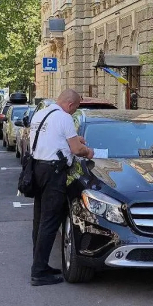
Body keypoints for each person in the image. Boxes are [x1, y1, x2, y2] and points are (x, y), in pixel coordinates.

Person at [29, 89, 94, 286]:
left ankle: (40, 264)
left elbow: (53, 140)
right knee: (50, 221)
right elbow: (76, 150)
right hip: (54, 173)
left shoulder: (41, 113)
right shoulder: (64, 118)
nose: (74, 112)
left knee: (39, 219)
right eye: (76, 109)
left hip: (37, 169)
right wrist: (89, 151)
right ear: (70, 105)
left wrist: (74, 141)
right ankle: (39, 272)